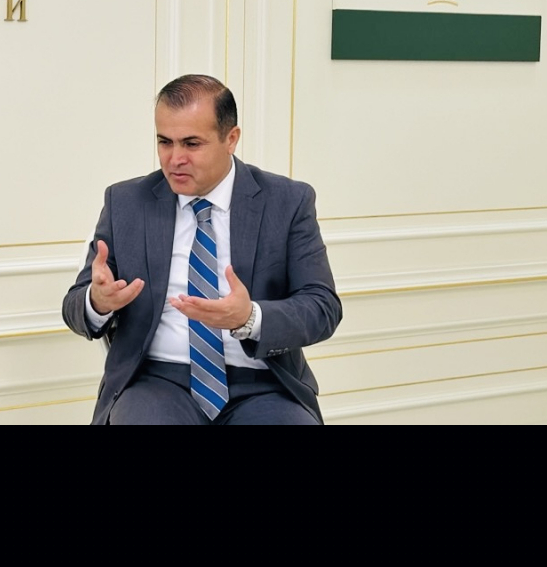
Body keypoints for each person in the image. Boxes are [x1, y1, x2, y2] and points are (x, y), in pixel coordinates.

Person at [62, 74, 341, 424]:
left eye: (192, 144)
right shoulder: (126, 203)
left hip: (263, 384)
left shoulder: (286, 202)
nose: (175, 158)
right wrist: (97, 302)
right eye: (165, 142)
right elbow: (74, 307)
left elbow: (322, 307)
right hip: (157, 381)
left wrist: (249, 318)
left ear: (231, 139)